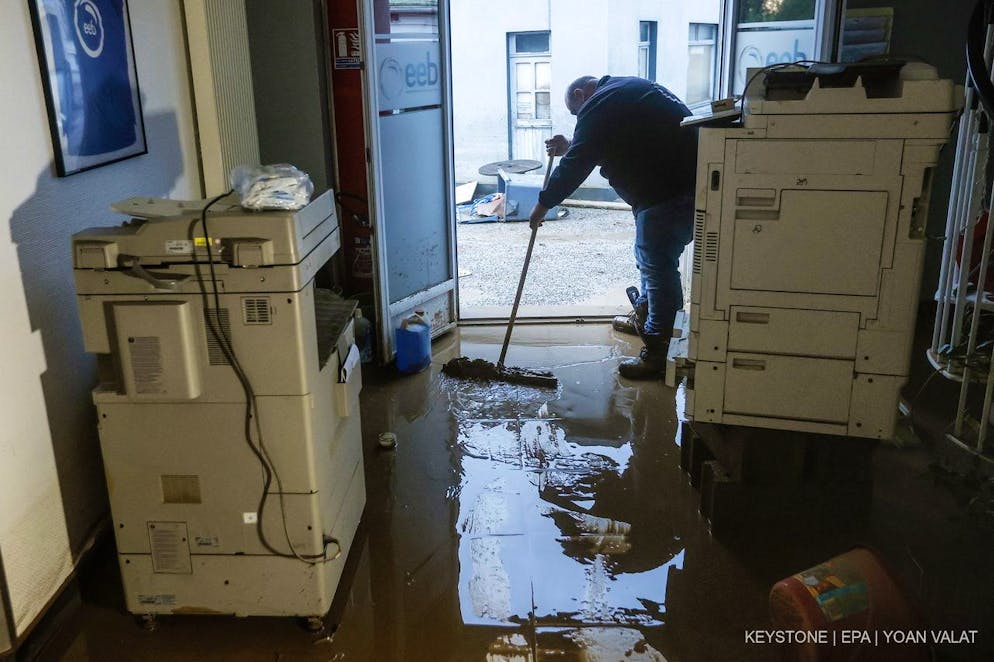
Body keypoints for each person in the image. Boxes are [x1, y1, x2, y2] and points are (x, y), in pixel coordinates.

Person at [528, 75, 698, 380]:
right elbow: (608, 139)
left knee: (657, 264)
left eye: (576, 114)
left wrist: (544, 203)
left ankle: (659, 353)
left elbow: (580, 161)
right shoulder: (622, 90)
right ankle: (646, 320)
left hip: (670, 192)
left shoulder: (601, 101)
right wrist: (571, 145)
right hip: (673, 187)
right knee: (650, 259)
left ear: (581, 94)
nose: (580, 119)